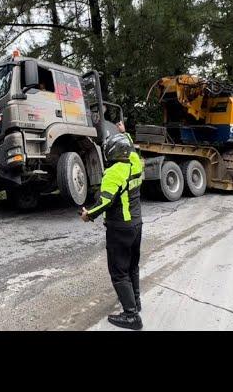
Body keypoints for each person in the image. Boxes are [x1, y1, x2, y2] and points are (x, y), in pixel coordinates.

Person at [80, 125, 144, 330]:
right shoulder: (135, 164)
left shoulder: (113, 173)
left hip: (120, 229)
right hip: (136, 225)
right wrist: (124, 133)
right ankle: (135, 302)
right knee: (132, 266)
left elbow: (104, 202)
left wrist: (88, 215)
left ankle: (131, 316)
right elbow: (131, 148)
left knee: (118, 272)